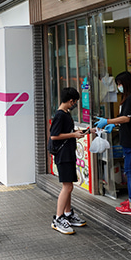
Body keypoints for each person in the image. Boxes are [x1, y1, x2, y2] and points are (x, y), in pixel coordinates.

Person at [95, 71, 131, 216]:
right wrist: (113, 125)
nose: (118, 87)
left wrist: (108, 121)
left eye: (120, 84)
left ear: (125, 84)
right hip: (128, 139)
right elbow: (123, 118)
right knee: (129, 170)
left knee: (130, 171)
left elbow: (126, 119)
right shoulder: (128, 98)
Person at [50, 87, 87, 234]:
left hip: (68, 154)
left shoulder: (65, 113)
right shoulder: (60, 115)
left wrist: (79, 133)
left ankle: (68, 214)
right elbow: (54, 136)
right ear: (71, 101)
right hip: (63, 155)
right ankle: (58, 218)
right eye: (75, 101)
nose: (75, 104)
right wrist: (72, 135)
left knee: (69, 186)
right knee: (67, 187)